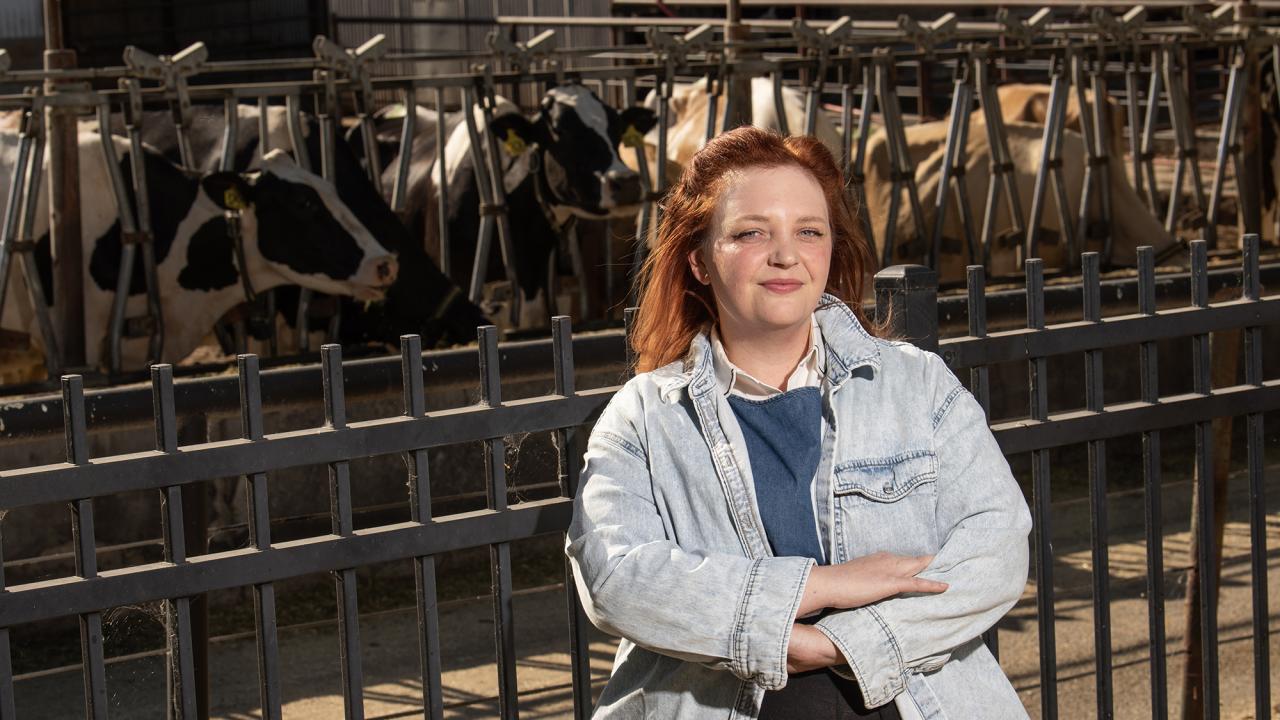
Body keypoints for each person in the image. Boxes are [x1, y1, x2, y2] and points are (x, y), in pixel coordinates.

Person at [566, 126, 1032, 719]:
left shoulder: (918, 385)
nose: (785, 254)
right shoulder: (645, 416)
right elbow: (618, 579)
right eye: (751, 232)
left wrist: (843, 646)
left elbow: (994, 549)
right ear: (700, 261)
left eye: (808, 231)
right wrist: (825, 589)